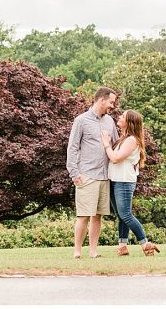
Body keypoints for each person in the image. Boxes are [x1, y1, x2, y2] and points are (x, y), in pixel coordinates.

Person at [66, 86, 119, 259]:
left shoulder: (110, 121)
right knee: (83, 216)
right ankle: (77, 251)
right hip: (86, 175)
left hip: (105, 176)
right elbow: (72, 147)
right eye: (111, 102)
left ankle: (93, 252)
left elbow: (116, 145)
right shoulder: (81, 120)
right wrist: (74, 173)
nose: (113, 106)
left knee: (98, 216)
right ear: (101, 99)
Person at [102, 109, 161, 256]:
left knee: (126, 215)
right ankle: (122, 247)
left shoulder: (132, 140)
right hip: (116, 180)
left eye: (123, 116)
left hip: (124, 182)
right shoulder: (124, 138)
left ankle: (145, 244)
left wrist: (106, 144)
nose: (119, 117)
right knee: (121, 215)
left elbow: (115, 158)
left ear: (129, 122)